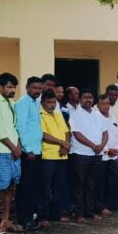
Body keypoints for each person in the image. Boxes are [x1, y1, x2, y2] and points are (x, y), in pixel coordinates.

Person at [0, 73, 23, 234]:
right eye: (9, 87)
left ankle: (6, 220)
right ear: (0, 87)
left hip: (14, 152)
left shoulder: (12, 103)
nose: (12, 90)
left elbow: (15, 127)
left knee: (10, 187)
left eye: (14, 87)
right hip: (2, 151)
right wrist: (13, 147)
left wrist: (18, 146)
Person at [69, 89, 109, 222]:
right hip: (81, 154)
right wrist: (93, 145)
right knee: (79, 184)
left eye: (90, 97)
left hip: (96, 155)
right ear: (80, 99)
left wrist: (102, 146)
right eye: (85, 97)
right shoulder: (75, 115)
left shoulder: (98, 115)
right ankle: (79, 213)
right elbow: (77, 134)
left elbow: (105, 133)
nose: (88, 100)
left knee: (92, 184)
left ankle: (90, 211)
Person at [14, 76, 44, 231]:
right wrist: (28, 149)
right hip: (29, 152)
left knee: (33, 186)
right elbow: (21, 127)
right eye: (34, 88)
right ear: (27, 88)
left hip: (37, 150)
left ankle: (30, 218)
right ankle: (24, 219)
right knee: (25, 187)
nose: (37, 91)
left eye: (39, 88)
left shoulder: (35, 103)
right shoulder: (23, 103)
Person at [39, 89, 71, 222]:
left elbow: (67, 131)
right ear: (42, 103)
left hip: (62, 156)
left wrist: (66, 144)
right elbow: (43, 135)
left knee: (59, 187)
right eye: (49, 102)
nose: (51, 105)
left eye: (53, 102)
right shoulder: (40, 115)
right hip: (48, 156)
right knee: (45, 188)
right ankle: (43, 216)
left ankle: (55, 215)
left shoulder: (58, 114)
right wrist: (61, 143)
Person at [95, 94, 118, 213]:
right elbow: (97, 137)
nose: (106, 106)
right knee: (100, 182)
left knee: (116, 180)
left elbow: (117, 135)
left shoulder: (113, 118)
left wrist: (116, 149)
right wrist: (107, 150)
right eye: (103, 104)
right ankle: (100, 206)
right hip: (101, 156)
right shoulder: (95, 118)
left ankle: (110, 204)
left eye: (107, 103)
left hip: (113, 156)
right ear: (98, 105)